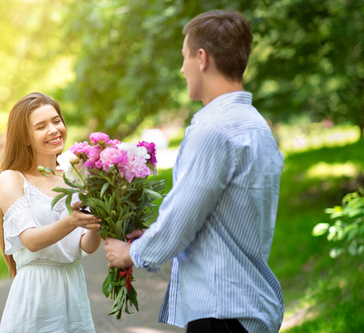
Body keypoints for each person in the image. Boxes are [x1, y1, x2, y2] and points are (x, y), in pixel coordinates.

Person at [103, 10, 284, 333]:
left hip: (222, 311)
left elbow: (181, 218)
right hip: (248, 307)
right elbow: (221, 218)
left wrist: (131, 253)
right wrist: (153, 236)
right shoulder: (256, 126)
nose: (182, 68)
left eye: (184, 57)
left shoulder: (212, 129)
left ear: (202, 58)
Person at [0, 92, 102, 332]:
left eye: (56, 121)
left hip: (73, 290)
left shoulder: (75, 174)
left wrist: (100, 218)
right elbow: (31, 240)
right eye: (41, 126)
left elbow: (87, 245)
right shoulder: (12, 179)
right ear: (25, 138)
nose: (54, 130)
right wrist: (72, 221)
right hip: (36, 295)